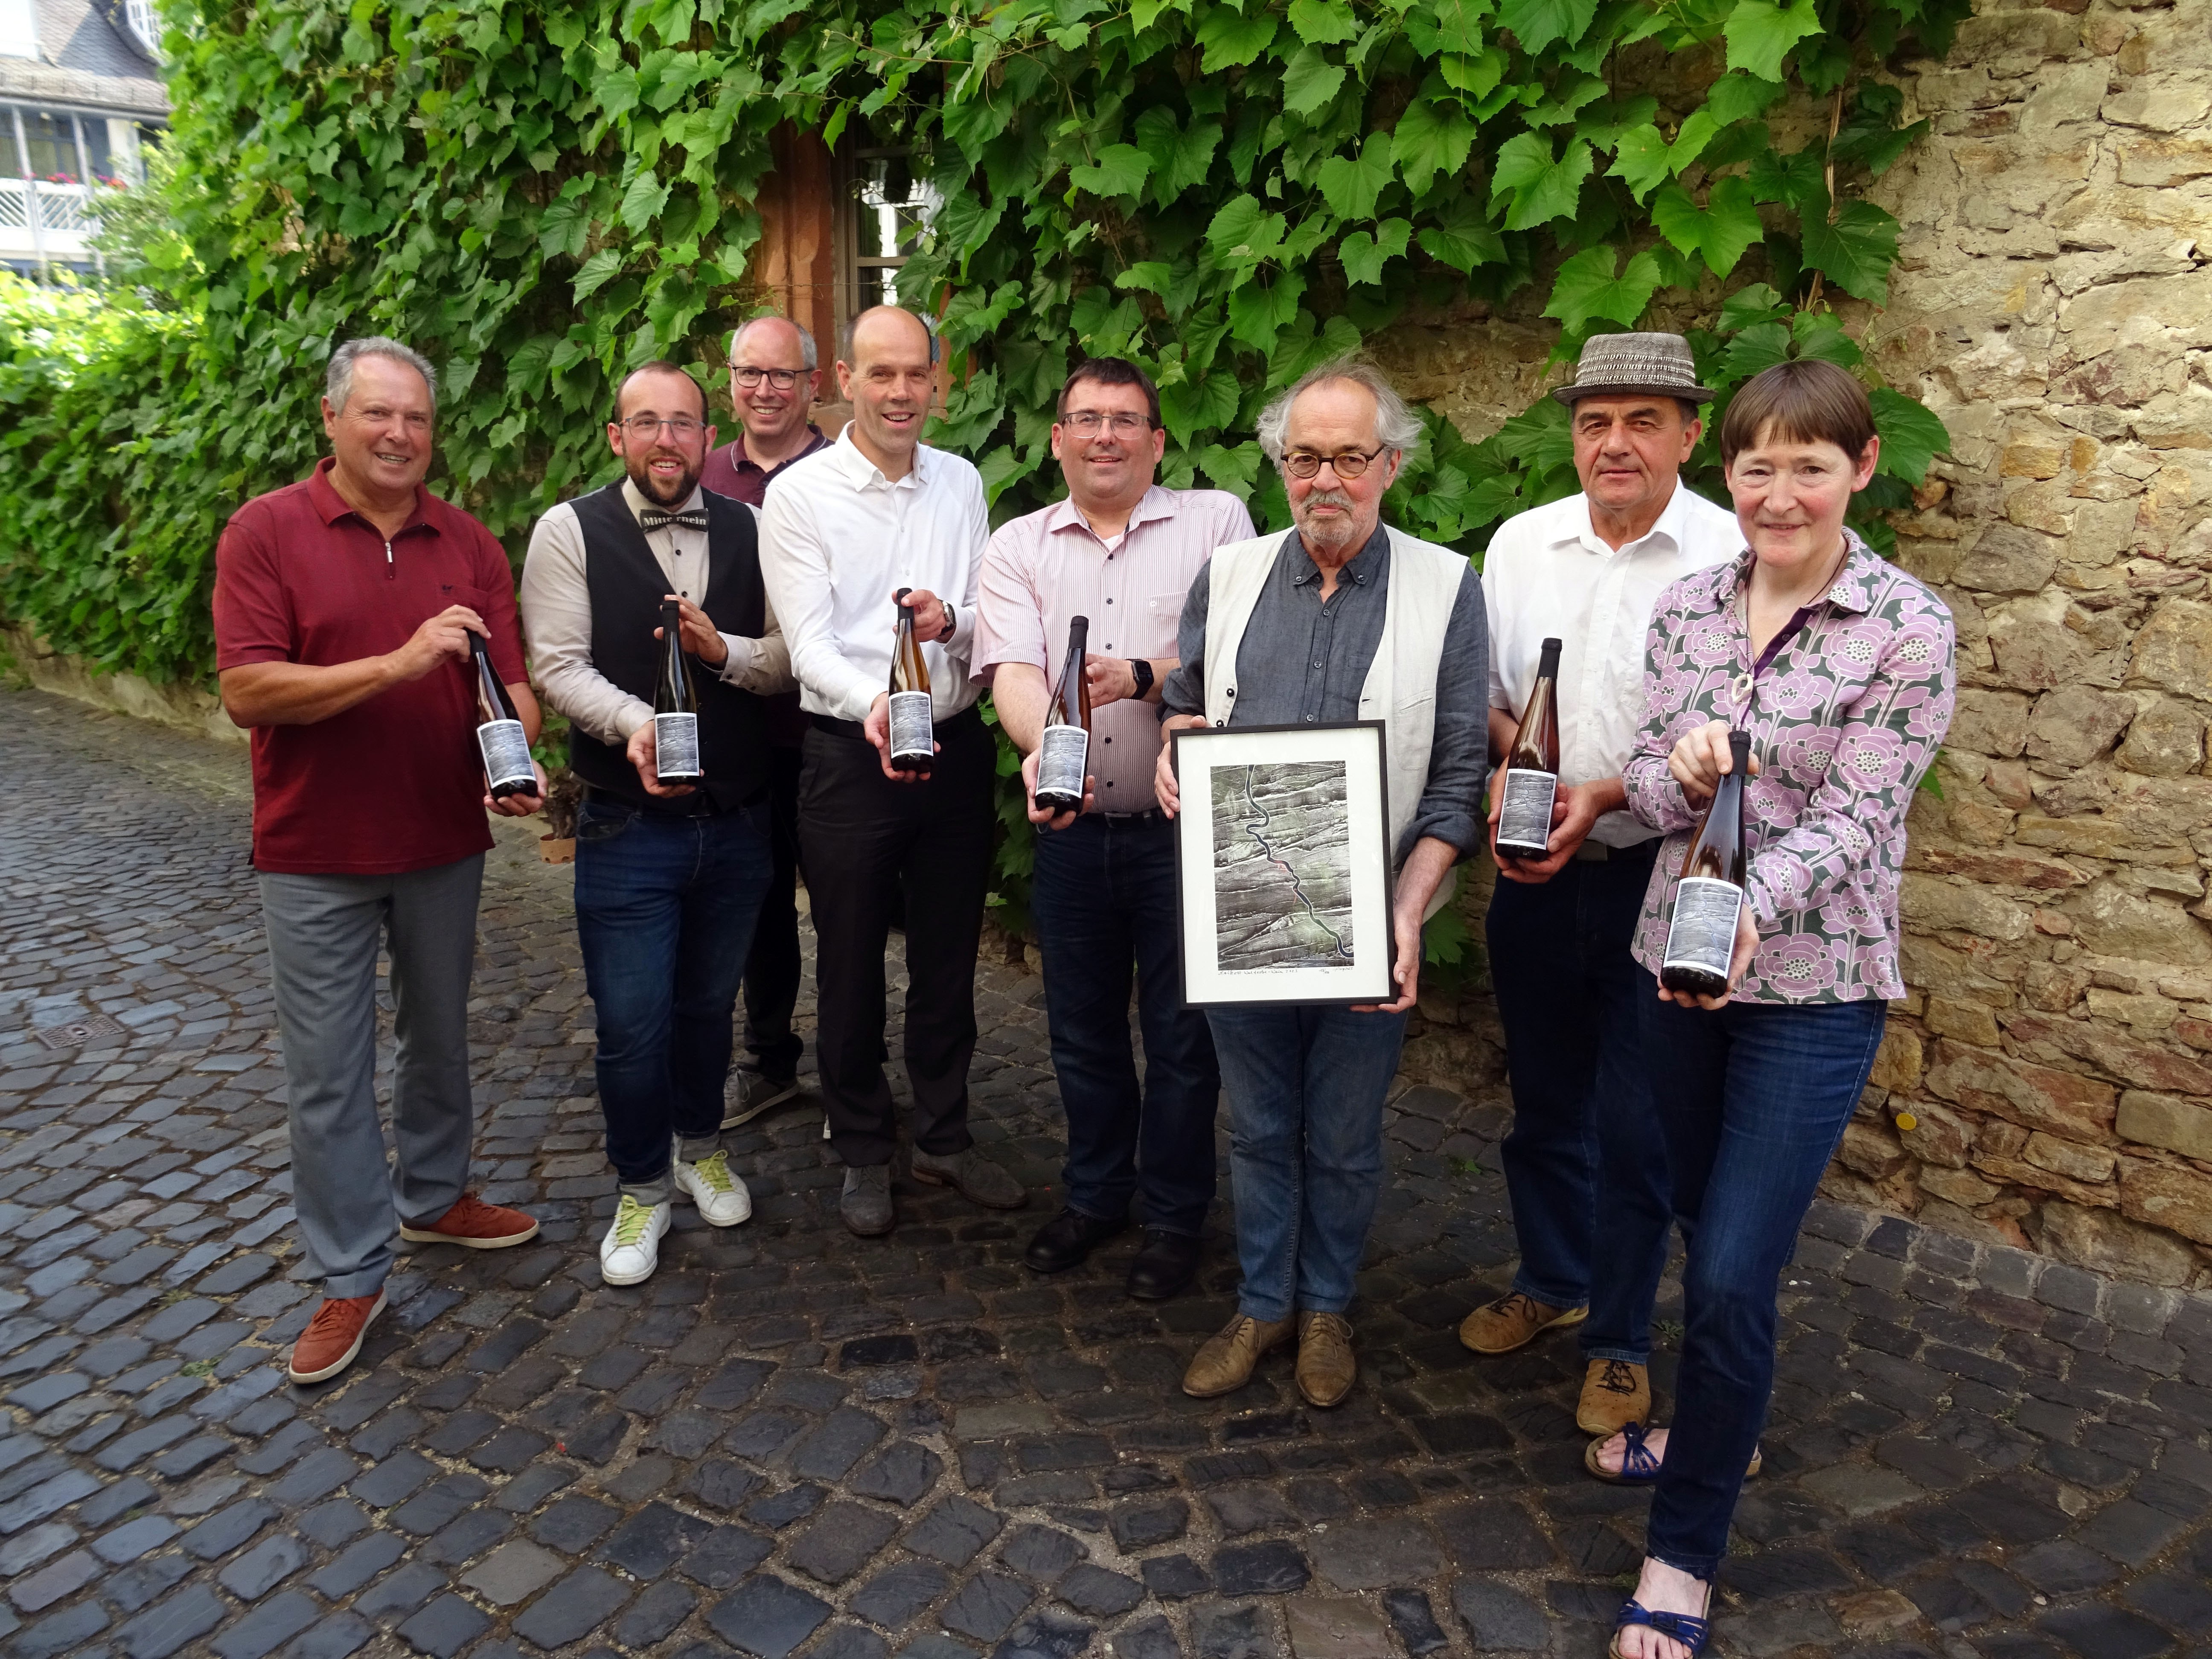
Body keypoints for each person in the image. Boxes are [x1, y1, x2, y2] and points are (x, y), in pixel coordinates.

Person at [1591, 359, 1954, 1659]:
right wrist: (1683, 773)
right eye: (1759, 468)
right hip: (1673, 973)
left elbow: (1860, 820)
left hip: (1812, 987)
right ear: (1728, 473)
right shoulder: (1688, 607)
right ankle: (1716, 1425)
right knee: (1699, 1221)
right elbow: (1641, 783)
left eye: (1811, 467)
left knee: (1737, 1268)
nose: (1781, 494)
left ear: (1861, 469)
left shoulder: (1906, 628)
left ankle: (1683, 1554)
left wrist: (1753, 899)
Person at [1155, 360, 1489, 1409]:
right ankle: (1263, 1304)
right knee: (1258, 1125)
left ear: (1391, 465)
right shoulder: (1231, 574)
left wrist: (1407, 910)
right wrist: (1175, 749)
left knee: (1343, 1136)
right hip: (1243, 909)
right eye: (1305, 458)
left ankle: (1328, 1309)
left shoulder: (1447, 587)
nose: (1325, 480)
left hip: (1373, 919)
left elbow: (1460, 775)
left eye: (1350, 456)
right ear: (1280, 467)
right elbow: (1186, 702)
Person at [214, 337, 543, 1385]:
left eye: (417, 418)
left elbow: (512, 684)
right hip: (314, 850)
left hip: (443, 838)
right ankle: (351, 1271)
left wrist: (515, 752)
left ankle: (435, 1199)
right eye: (378, 414)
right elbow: (248, 691)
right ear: (332, 419)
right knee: (328, 1074)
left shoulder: (468, 541)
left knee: (439, 1037)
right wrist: (400, 664)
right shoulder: (267, 531)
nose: (400, 434)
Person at [1461, 333, 1741, 1438]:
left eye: (1641, 421)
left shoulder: (1731, 552)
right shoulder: (1521, 545)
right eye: (1594, 422)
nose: (1614, 443)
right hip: (1537, 870)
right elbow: (1492, 702)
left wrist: (1604, 794)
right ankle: (1553, 1276)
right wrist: (1517, 773)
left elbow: (1737, 737)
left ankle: (1620, 1341)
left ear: (1689, 434)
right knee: (1542, 1103)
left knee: (1639, 1125)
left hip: (1661, 876)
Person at [974, 357, 1253, 1300]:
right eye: (1087, 419)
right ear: (1057, 439)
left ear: (1158, 441)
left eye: (1127, 420)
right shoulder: (1018, 546)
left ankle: (1174, 1217)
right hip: (1074, 831)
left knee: (1183, 1038)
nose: (1106, 436)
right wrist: (1040, 745)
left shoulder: (1215, 523)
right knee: (1082, 1031)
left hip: (1183, 829)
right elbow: (1015, 669)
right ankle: (1096, 1197)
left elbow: (1236, 654)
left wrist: (1142, 675)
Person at [519, 360, 793, 1285]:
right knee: (632, 1025)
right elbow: (558, 667)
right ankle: (641, 1187)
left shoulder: (756, 527)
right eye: (647, 422)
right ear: (618, 437)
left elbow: (787, 657)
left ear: (708, 438)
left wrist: (726, 651)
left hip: (738, 821)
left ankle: (700, 1147)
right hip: (626, 827)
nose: (666, 440)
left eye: (682, 424)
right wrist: (640, 725)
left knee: (709, 1007)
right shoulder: (569, 531)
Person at [757, 305, 1024, 1237]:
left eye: (917, 373)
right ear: (844, 380)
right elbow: (807, 645)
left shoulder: (962, 482)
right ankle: (864, 1146)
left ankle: (943, 1137)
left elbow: (990, 616)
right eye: (882, 373)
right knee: (850, 959)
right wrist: (875, 704)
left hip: (953, 746)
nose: (901, 392)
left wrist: (956, 620)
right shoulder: (799, 495)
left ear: (937, 382)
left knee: (950, 957)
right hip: (850, 753)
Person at [701, 316, 835, 1129]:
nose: (765, 389)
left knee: (847, 908)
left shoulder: (844, 474)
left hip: (829, 731)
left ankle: (853, 1072)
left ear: (813, 385)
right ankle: (769, 1060)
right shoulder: (705, 477)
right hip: (737, 732)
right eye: (750, 373)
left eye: (783, 375)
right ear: (730, 383)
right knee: (757, 907)